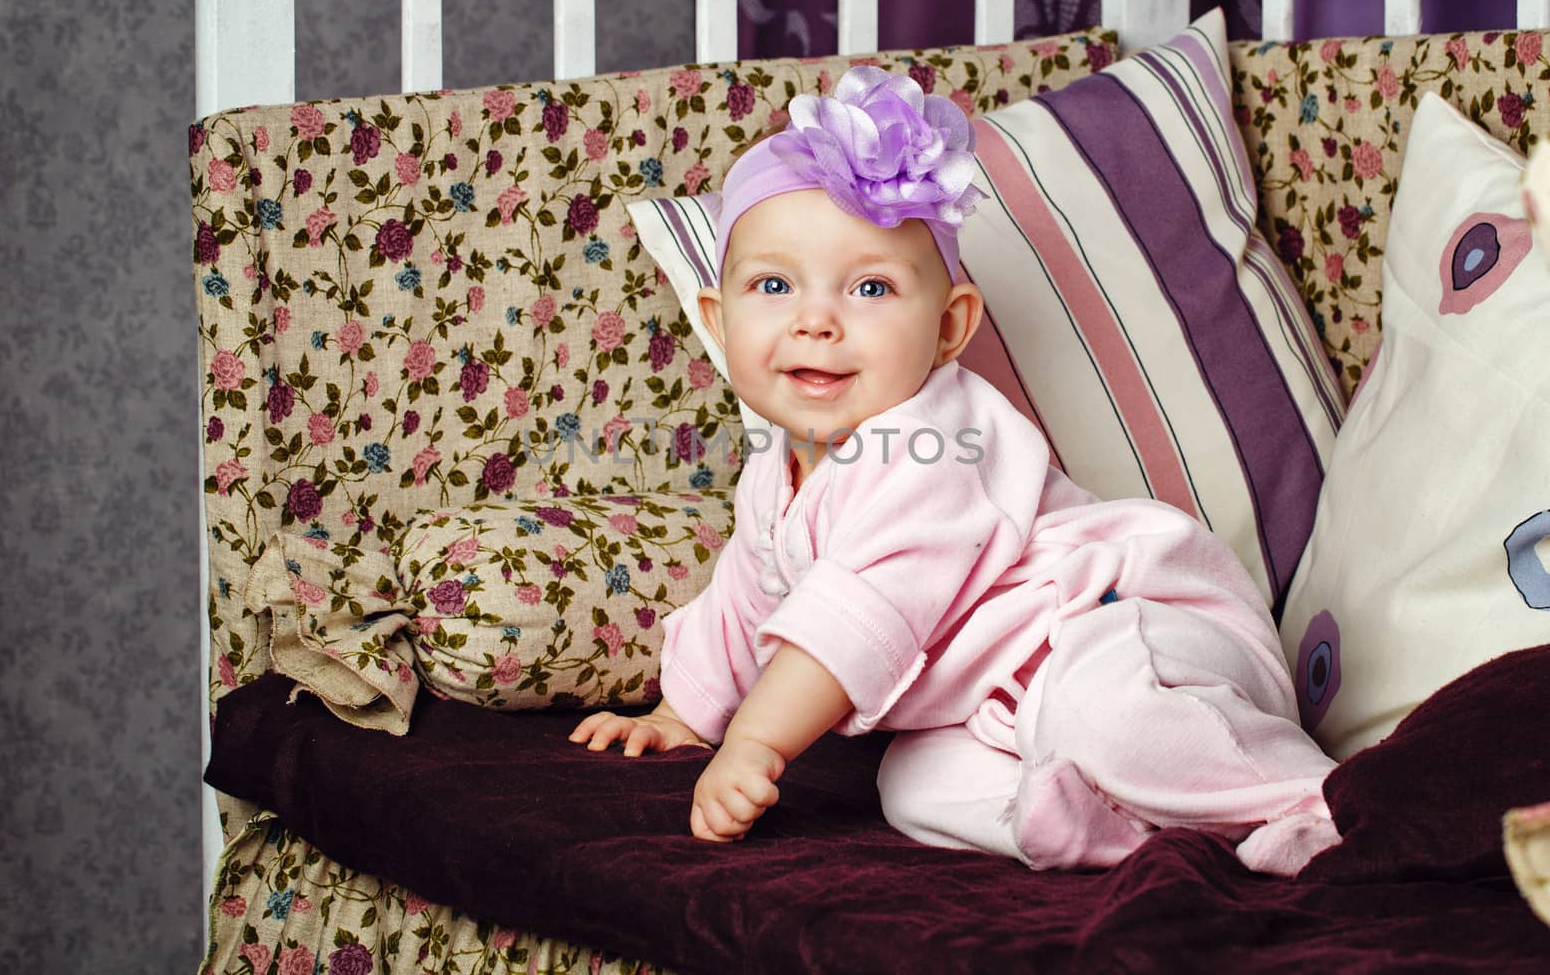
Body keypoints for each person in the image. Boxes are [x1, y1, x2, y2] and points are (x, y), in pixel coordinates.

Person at [569, 67, 1341, 875]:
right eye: (773, 285)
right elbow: (749, 593)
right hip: (1003, 702)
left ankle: (1315, 801)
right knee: (912, 782)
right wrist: (683, 712)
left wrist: (757, 740)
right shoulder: (775, 468)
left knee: (1101, 713)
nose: (817, 320)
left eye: (870, 286)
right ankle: (1089, 827)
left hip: (1122, 625)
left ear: (948, 328)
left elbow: (858, 609)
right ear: (719, 326)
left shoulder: (936, 442)